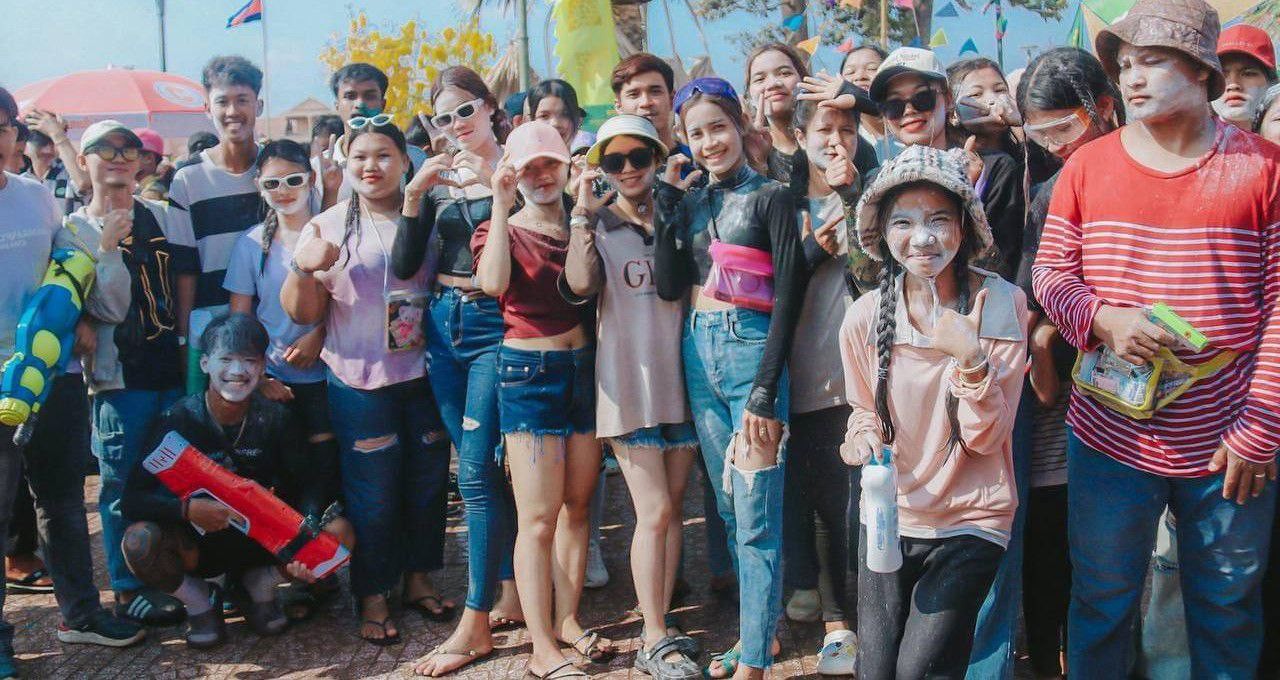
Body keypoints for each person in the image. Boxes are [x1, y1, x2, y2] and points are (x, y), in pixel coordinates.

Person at [1033, 1, 1280, 676]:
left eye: (1153, 61)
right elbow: (1049, 274)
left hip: (1228, 438)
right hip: (1108, 433)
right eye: (1125, 64)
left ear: (1201, 70)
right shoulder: (1088, 167)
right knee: (1102, 601)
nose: (1132, 78)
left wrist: (1259, 428)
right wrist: (1101, 318)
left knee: (1227, 608)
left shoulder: (1264, 169)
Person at [840, 144, 1027, 680]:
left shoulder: (1001, 305)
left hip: (972, 516)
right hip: (889, 511)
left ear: (964, 228)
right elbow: (863, 410)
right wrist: (860, 438)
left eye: (938, 220)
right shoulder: (864, 317)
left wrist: (970, 358)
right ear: (883, 234)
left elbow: (987, 438)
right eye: (903, 222)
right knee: (876, 670)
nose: (921, 238)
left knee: (920, 670)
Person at [656, 77, 808, 680]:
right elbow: (669, 283)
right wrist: (666, 210)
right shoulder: (692, 201)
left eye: (718, 127)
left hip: (752, 351)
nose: (709, 142)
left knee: (756, 506)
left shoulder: (772, 197)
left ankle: (754, 659)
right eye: (696, 134)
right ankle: (757, 636)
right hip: (698, 350)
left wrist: (767, 388)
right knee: (727, 505)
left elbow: (790, 296)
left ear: (740, 125)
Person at [282, 118, 454, 647]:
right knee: (373, 495)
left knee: (427, 486)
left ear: (405, 161)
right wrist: (303, 269)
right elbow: (302, 312)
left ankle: (419, 578)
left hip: (425, 376)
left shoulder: (430, 216)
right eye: (360, 156)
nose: (371, 166)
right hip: (359, 382)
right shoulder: (327, 225)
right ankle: (374, 593)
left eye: (383, 155)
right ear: (346, 162)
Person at [0, 101, 151, 679]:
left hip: (57, 374)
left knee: (61, 501)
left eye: (1, 128)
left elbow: (67, 267)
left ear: (16, 136)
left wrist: (83, 317)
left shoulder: (37, 195)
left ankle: (81, 615)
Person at [562, 114, 701, 680]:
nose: (626, 170)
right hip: (627, 384)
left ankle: (660, 626)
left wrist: (671, 201)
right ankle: (652, 635)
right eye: (613, 161)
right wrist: (579, 215)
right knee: (655, 511)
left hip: (682, 381)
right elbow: (578, 284)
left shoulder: (679, 212)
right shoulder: (597, 223)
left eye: (637, 158)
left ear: (655, 159)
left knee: (672, 512)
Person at [471, 120, 611, 679]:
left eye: (549, 163)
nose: (541, 175)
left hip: (583, 369)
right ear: (513, 173)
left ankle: (567, 619)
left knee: (578, 507)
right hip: (529, 372)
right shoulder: (498, 227)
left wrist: (581, 214)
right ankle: (540, 647)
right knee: (536, 518)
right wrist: (499, 204)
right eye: (529, 167)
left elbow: (582, 285)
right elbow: (492, 284)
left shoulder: (585, 219)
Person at [119, 313, 353, 648]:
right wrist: (187, 510)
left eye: (249, 361)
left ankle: (259, 586)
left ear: (263, 367)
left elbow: (310, 484)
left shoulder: (275, 418)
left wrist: (308, 535)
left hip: (264, 544)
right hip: (201, 546)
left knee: (338, 532)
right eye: (226, 359)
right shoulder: (179, 419)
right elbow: (132, 500)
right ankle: (200, 600)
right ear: (205, 364)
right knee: (139, 541)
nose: (237, 371)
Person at [396, 65, 521, 677]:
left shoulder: (517, 164)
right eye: (443, 117)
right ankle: (511, 590)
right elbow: (404, 264)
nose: (455, 125)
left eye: (465, 111)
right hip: (444, 324)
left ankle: (474, 623)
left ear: (490, 107)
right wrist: (414, 196)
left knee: (472, 473)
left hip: (498, 323)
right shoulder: (439, 176)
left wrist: (500, 189)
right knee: (482, 469)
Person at [1013, 46, 1122, 680]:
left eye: (1064, 127)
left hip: (1167, 391)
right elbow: (1034, 291)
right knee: (1063, 537)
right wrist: (1046, 341)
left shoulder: (1148, 170)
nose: (1055, 144)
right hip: (1076, 394)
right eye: (1041, 134)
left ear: (1103, 107)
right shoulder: (1049, 191)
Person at [65, 119, 199, 629]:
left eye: (128, 149)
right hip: (119, 377)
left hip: (169, 367)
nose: (119, 157)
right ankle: (127, 589)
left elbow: (184, 278)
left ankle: (173, 574)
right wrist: (105, 250)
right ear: (84, 161)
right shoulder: (74, 228)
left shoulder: (161, 215)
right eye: (105, 149)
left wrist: (186, 345)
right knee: (120, 484)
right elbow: (107, 307)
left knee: (175, 476)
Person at [223, 139, 339, 620]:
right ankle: (277, 576)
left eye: (294, 179)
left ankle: (321, 574)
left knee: (326, 477)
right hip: (273, 383)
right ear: (259, 187)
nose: (285, 190)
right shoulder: (251, 244)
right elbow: (240, 322)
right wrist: (261, 377)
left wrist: (318, 335)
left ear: (310, 179)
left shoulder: (333, 229)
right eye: (273, 183)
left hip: (330, 375)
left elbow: (352, 301)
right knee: (282, 480)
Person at [780, 93, 868, 675]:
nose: (835, 140)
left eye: (846, 129)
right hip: (796, 371)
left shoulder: (870, 196)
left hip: (851, 378)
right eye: (823, 129)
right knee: (809, 498)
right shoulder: (780, 202)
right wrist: (812, 252)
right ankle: (822, 604)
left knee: (847, 504)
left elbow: (876, 273)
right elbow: (771, 284)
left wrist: (854, 197)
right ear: (799, 136)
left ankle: (844, 620)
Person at [868, 47, 1025, 282]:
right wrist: (848, 196)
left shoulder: (993, 169)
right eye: (894, 105)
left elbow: (998, 269)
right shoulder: (877, 182)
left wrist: (965, 195)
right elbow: (868, 279)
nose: (909, 111)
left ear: (948, 99)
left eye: (923, 98)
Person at [167, 56, 268, 394]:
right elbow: (185, 268)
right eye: (223, 101)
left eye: (243, 100)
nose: (232, 111)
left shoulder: (276, 170)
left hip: (275, 328)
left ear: (258, 105)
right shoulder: (187, 178)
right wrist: (184, 340)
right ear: (208, 107)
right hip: (213, 335)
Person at [317, 62, 429, 209]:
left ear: (383, 104)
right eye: (350, 96)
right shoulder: (319, 167)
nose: (359, 104)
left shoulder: (415, 158)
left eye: (369, 96)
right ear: (337, 106)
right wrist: (330, 191)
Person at [19, 109, 88, 215]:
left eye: (53, 142)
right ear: (24, 145)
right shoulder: (20, 181)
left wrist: (57, 134)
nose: (48, 150)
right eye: (40, 143)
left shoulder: (70, 173)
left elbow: (84, 183)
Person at [1213, 24, 1277, 131]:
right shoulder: (1189, 138)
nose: (1233, 85)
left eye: (1248, 74)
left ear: (1271, 84)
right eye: (1221, 75)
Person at [133, 128, 171, 201]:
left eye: (131, 153)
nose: (123, 159)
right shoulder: (142, 188)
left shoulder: (153, 195)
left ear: (148, 158)